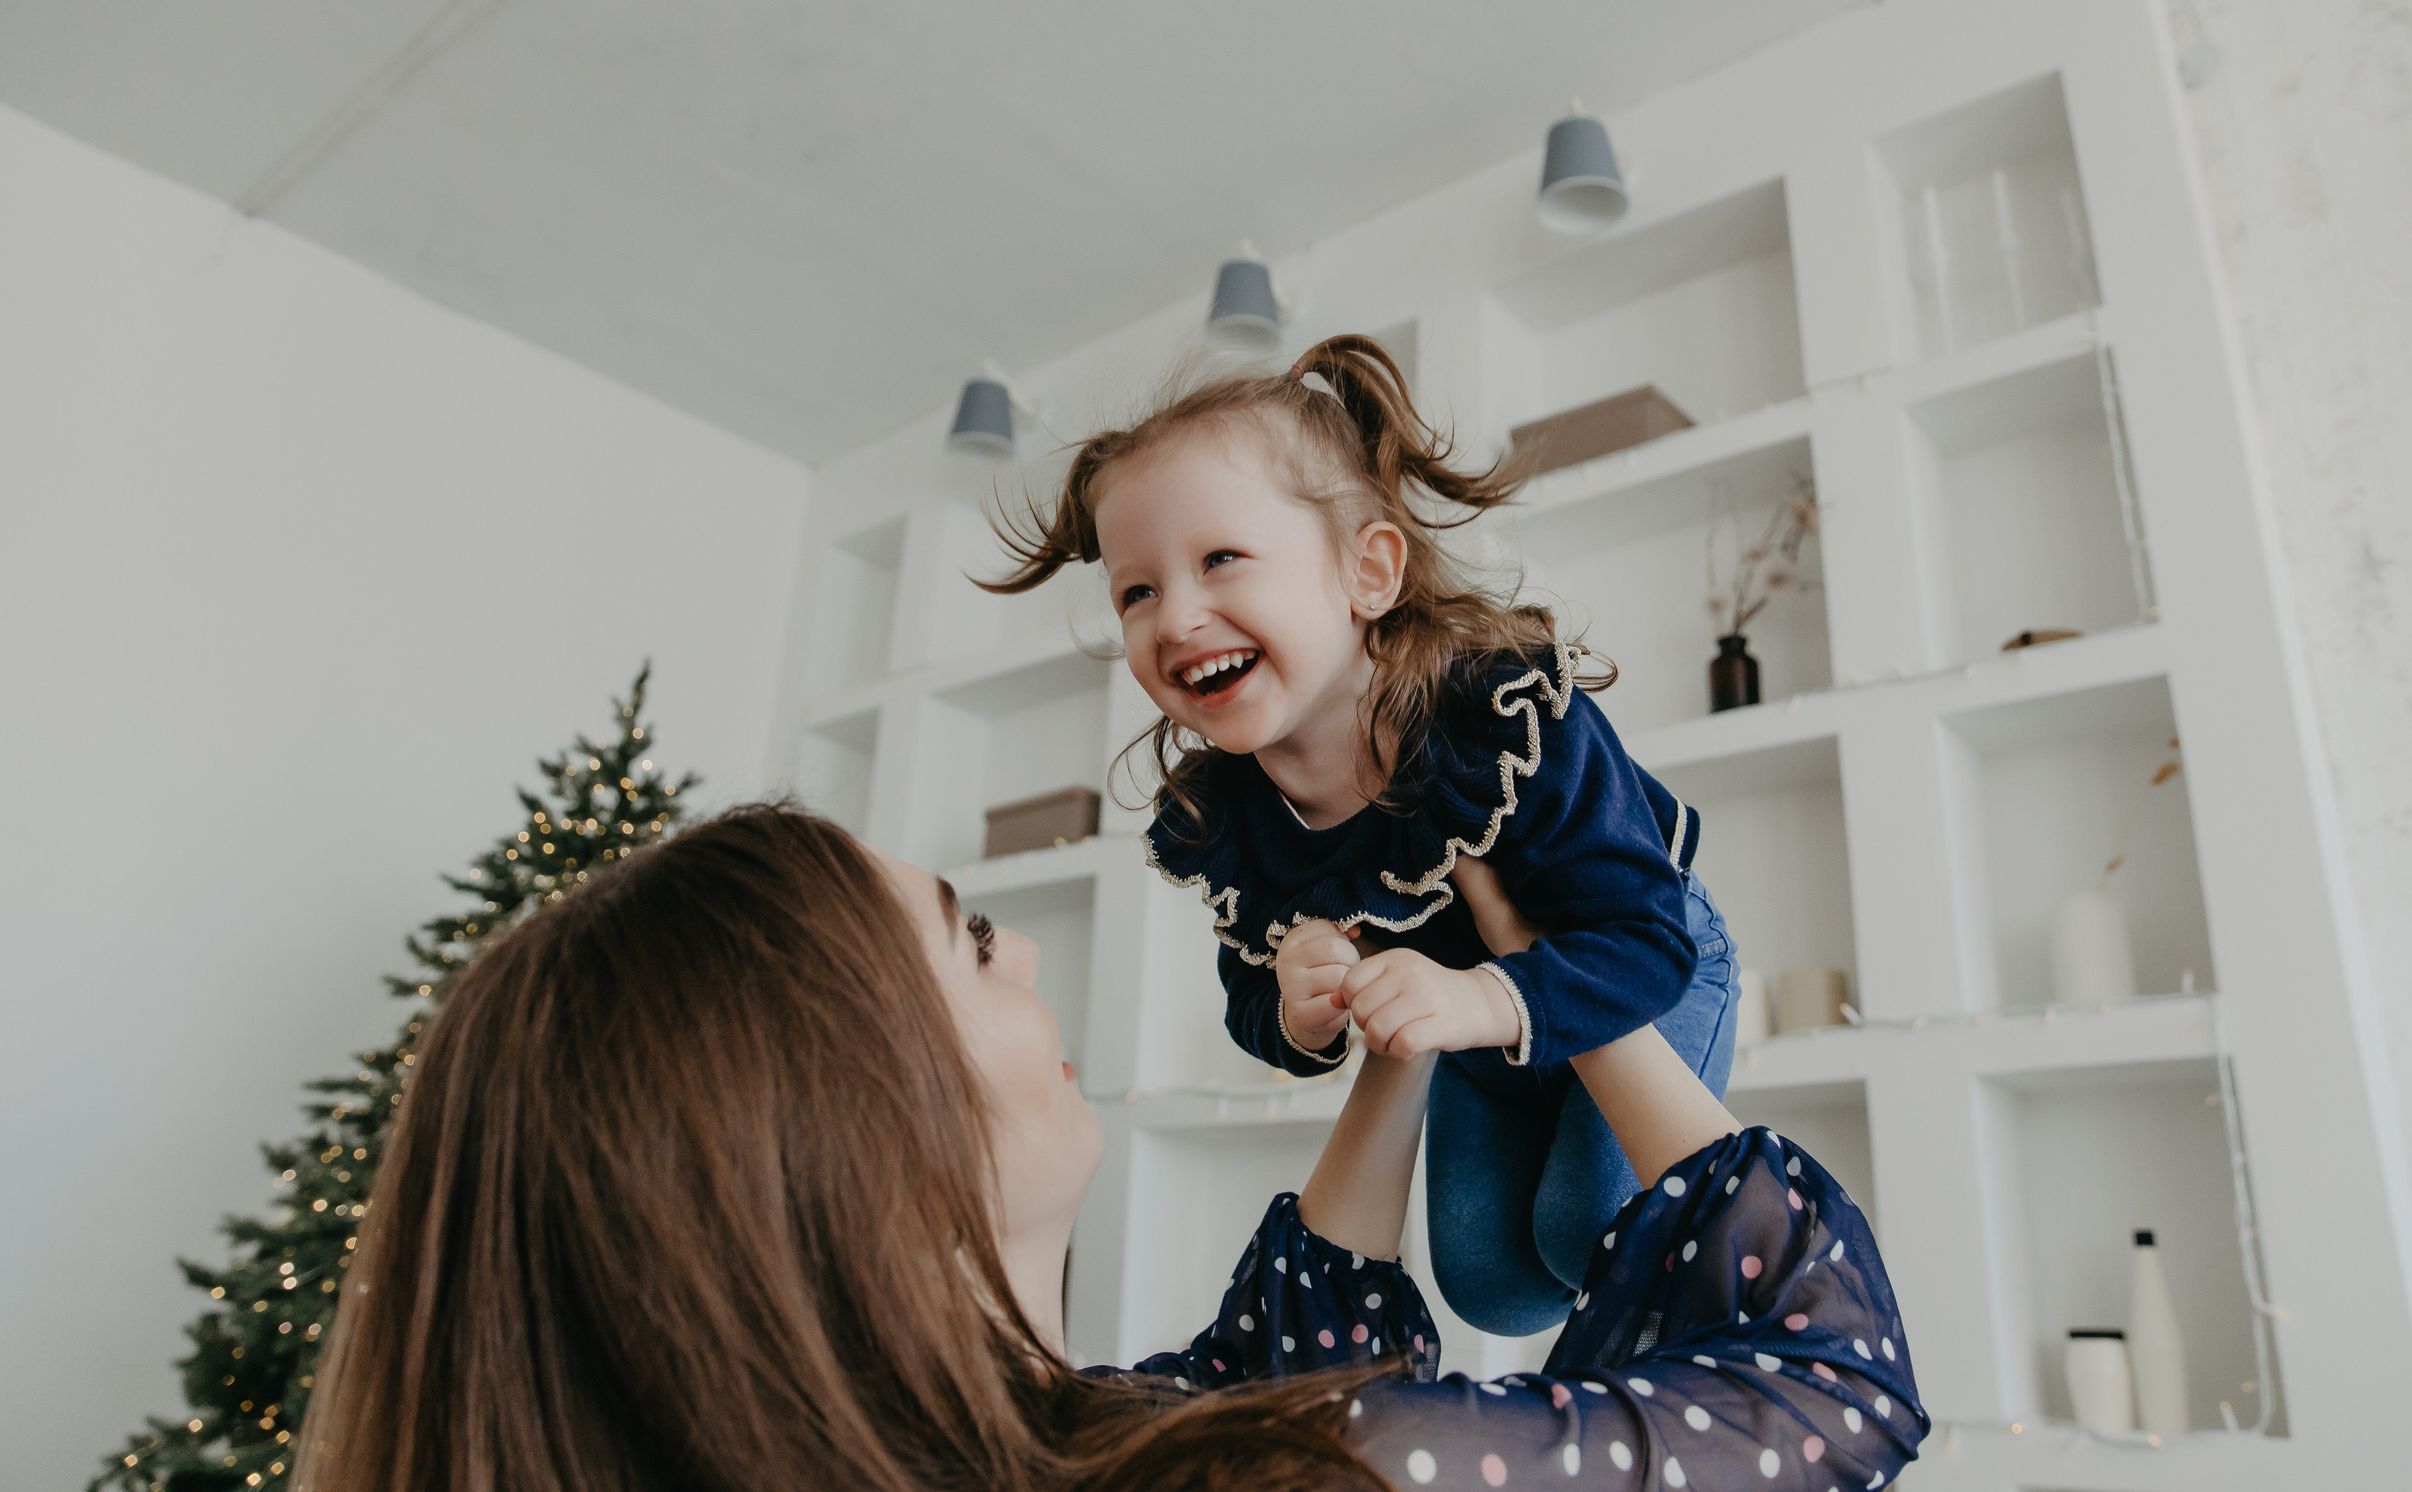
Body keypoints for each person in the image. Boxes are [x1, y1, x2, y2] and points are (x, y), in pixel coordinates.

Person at [299, 804, 1924, 1491]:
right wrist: (1557, 960)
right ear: (849, 1121)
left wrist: (1412, 1011)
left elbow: (1281, 1354)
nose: (1023, 964)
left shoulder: (1051, 1441)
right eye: (974, 936)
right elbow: (1823, 1379)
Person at [978, 335, 1741, 1334]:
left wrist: (1480, 994)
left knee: (1584, 1228)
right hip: (1468, 1032)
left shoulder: (1501, 719)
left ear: (1367, 570)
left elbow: (1644, 941)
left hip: (1634, 963)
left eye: (1220, 560)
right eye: (1138, 590)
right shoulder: (1228, 817)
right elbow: (1249, 1004)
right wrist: (1297, 1011)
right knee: (1491, 1291)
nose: (1175, 617)